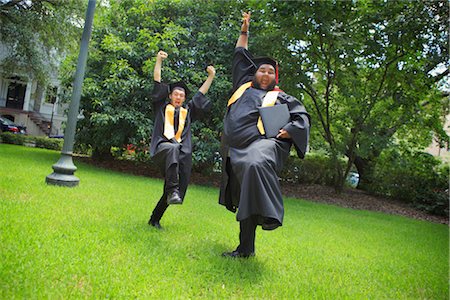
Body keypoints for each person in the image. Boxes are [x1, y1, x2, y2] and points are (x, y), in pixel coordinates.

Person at [219, 12, 310, 258]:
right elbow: (239, 54)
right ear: (254, 74)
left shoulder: (281, 97)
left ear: (274, 77)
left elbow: (301, 117)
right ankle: (245, 249)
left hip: (262, 145)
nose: (266, 74)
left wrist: (290, 130)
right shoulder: (242, 87)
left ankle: (271, 214)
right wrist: (244, 29)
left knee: (255, 162)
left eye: (271, 71)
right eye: (262, 70)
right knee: (244, 196)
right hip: (233, 152)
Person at [148, 50, 216, 229]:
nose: (178, 97)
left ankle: (155, 218)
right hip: (163, 148)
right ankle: (172, 191)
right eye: (175, 94)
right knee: (171, 155)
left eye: (182, 95)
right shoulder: (161, 107)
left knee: (176, 189)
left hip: (182, 155)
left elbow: (200, 94)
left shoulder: (188, 112)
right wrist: (158, 61)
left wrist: (211, 77)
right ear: (170, 96)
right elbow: (157, 81)